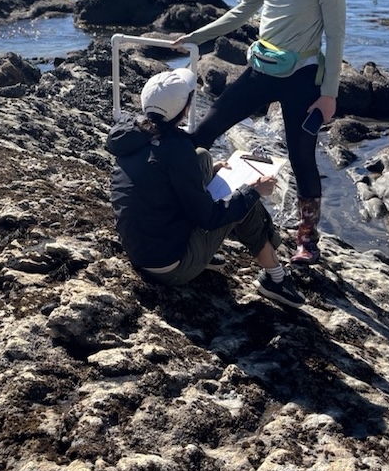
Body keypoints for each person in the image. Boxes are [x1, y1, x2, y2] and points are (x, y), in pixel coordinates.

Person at [172, 0, 346, 265]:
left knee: (302, 158)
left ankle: (307, 240)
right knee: (204, 131)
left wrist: (329, 94)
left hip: (302, 77)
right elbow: (241, 12)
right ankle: (185, 207)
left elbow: (336, 35)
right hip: (261, 69)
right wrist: (196, 36)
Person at [107, 67, 304, 307]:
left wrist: (209, 173)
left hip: (141, 250)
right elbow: (208, 218)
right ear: (184, 108)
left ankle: (204, 250)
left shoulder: (135, 134)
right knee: (246, 198)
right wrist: (253, 191)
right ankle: (274, 278)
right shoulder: (176, 149)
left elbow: (157, 178)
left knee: (201, 156)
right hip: (170, 267)